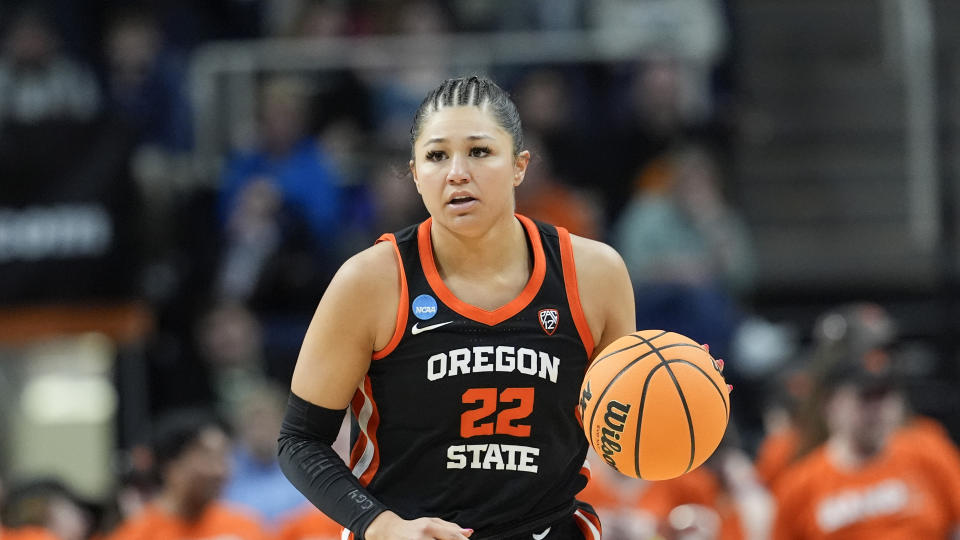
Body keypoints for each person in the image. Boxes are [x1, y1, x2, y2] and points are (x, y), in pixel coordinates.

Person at [277, 76, 637, 540]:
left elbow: (625, 437)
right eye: (436, 155)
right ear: (414, 173)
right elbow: (300, 440)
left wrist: (683, 395)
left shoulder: (595, 274)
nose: (457, 172)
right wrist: (384, 527)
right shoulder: (370, 280)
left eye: (480, 151)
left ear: (520, 166)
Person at [771, 347, 960, 539]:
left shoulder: (929, 451)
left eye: (884, 395)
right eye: (866, 397)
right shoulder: (798, 486)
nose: (878, 408)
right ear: (831, 404)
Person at [106, 409, 268, 540]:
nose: (221, 470)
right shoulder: (135, 534)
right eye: (208, 457)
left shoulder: (245, 526)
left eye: (224, 457)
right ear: (171, 466)